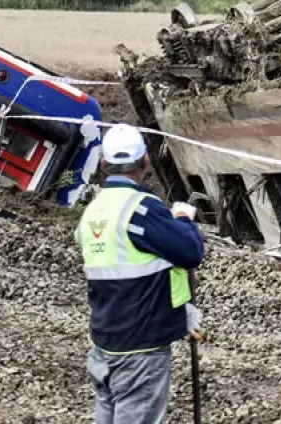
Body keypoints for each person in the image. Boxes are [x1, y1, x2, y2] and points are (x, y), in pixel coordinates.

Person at [75, 123, 206, 424]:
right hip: (140, 350)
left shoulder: (93, 213)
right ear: (146, 161)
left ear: (104, 164)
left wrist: (179, 309)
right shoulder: (141, 210)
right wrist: (184, 219)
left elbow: (129, 267)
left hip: (105, 343)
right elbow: (190, 252)